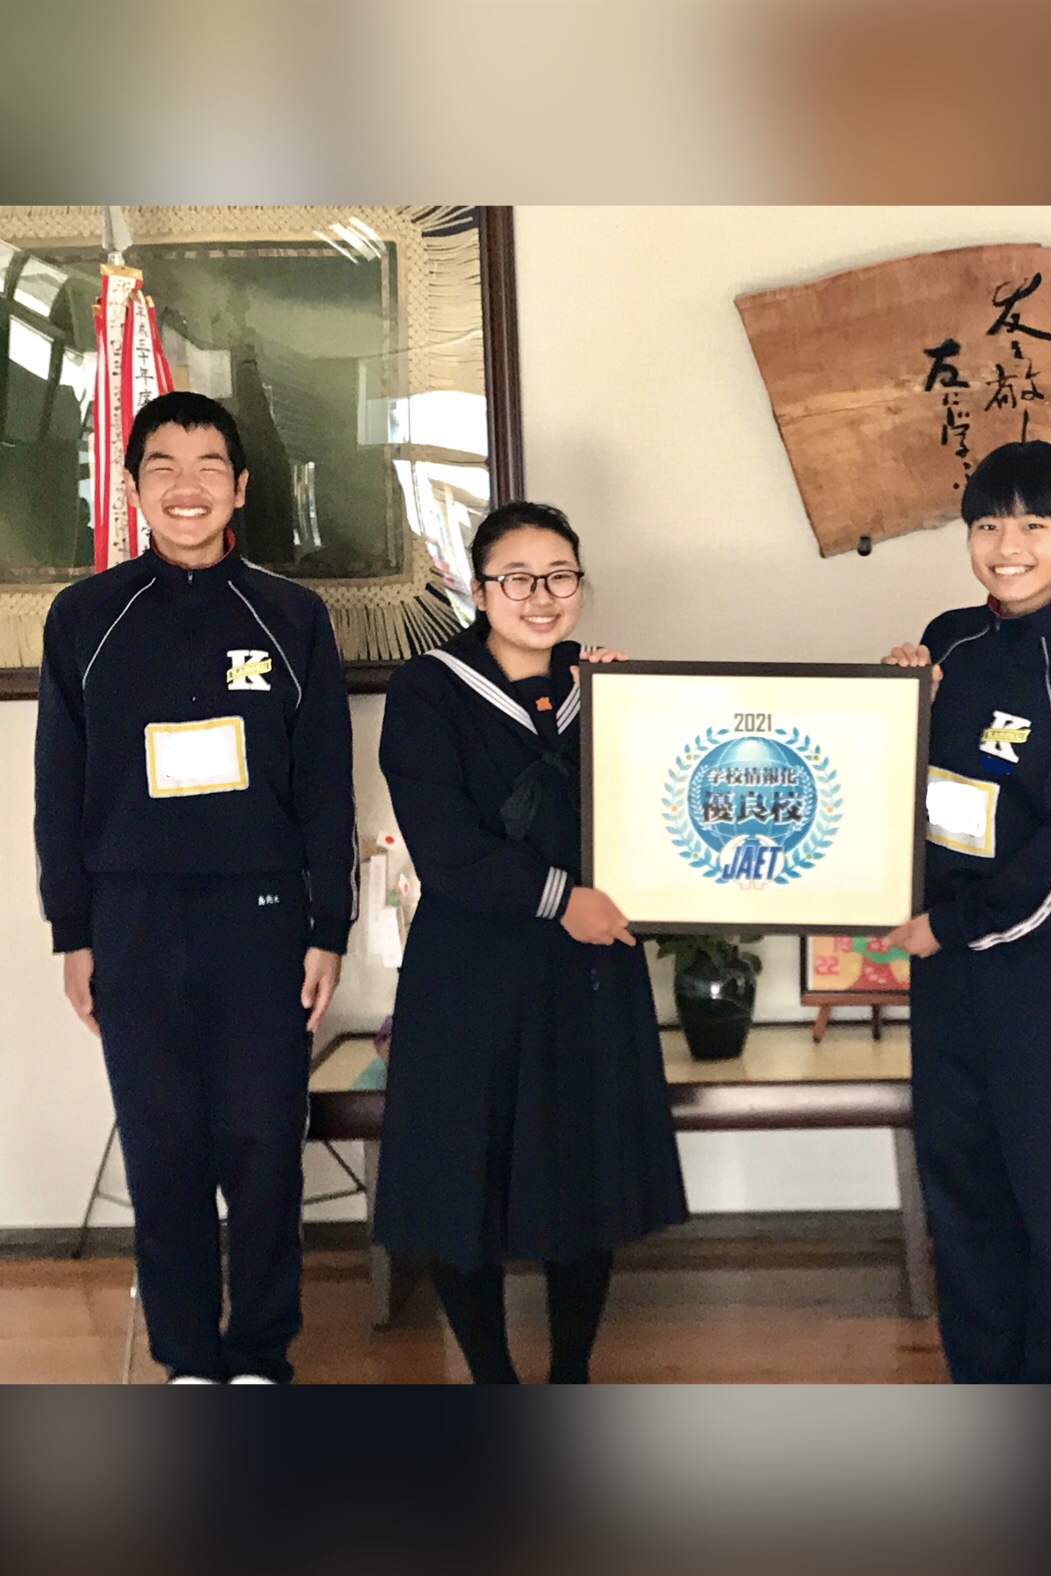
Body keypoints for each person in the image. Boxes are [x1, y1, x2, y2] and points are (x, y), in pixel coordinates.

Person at [34, 389, 356, 1384]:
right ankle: (186, 1361)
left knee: (263, 1145)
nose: (187, 485)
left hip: (262, 919)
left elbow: (326, 784)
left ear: (241, 487)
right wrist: (72, 931)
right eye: (162, 467)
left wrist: (329, 925)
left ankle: (257, 1355)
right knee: (163, 1148)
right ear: (132, 488)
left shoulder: (291, 618)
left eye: (209, 465)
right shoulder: (85, 617)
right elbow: (57, 785)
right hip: (130, 919)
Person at [374, 500, 687, 1383]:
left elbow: (660, 814)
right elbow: (445, 845)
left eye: (559, 577)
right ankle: (493, 1380)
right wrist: (560, 899)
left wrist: (631, 716)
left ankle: (570, 1375)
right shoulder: (429, 690)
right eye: (516, 579)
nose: (540, 596)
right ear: (479, 591)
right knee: (460, 1181)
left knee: (582, 1181)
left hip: (586, 972)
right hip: (470, 971)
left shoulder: (604, 687)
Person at [881, 440, 1051, 1383]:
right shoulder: (947, 640)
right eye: (988, 524)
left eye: (1033, 524)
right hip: (942, 964)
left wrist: (952, 926)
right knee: (959, 1188)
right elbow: (897, 785)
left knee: (1049, 1197)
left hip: (1040, 972)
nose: (1007, 546)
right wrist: (896, 702)